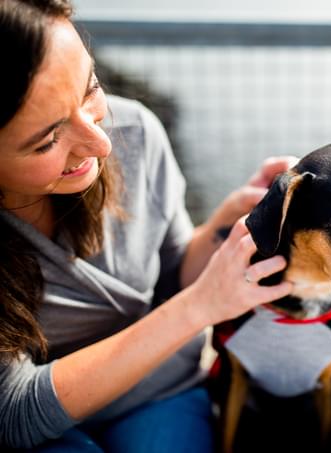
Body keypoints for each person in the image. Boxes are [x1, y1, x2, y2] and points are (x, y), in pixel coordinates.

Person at [0, 0, 294, 450]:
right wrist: (199, 307)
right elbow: (13, 414)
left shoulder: (136, 131)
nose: (100, 144)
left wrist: (226, 222)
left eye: (90, 89)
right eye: (48, 141)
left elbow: (173, 273)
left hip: (159, 394)